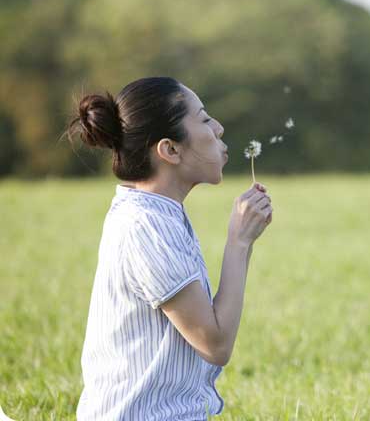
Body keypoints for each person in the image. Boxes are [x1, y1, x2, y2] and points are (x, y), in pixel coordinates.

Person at [64, 76, 273, 420]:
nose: (218, 128)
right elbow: (215, 344)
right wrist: (239, 241)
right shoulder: (146, 228)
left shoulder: (156, 215)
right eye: (204, 119)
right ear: (170, 150)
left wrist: (244, 239)